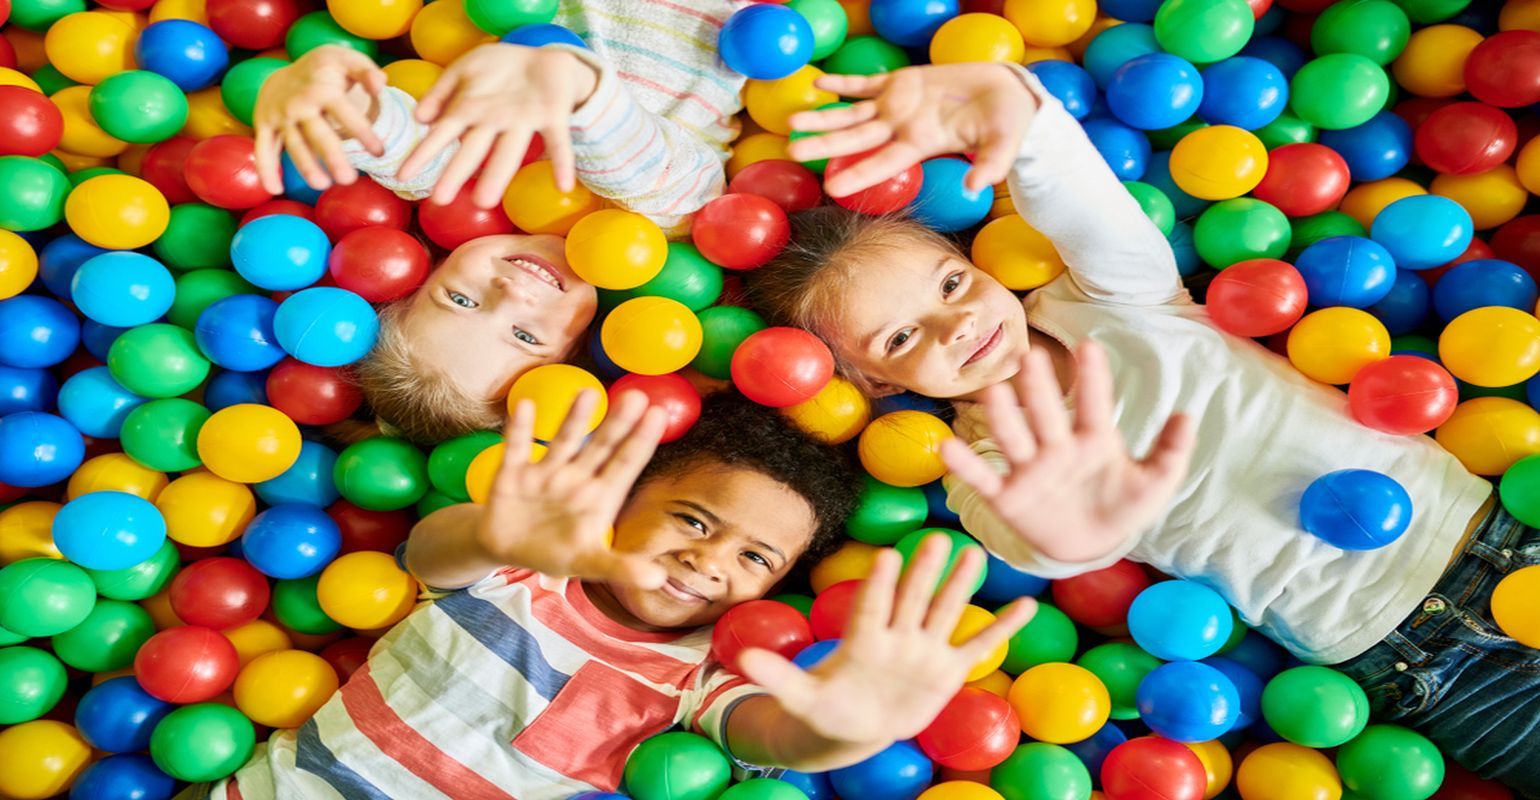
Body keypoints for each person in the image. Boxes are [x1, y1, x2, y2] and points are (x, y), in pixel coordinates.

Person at [741, 61, 1538, 788]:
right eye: (903, 338)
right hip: (1406, 659)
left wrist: (1019, 110)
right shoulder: (973, 460)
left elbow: (1074, 192)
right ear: (877, 382)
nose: (956, 326)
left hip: (1498, 534)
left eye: (951, 284)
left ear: (978, 262)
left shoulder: (1110, 302)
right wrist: (1076, 526)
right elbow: (1043, 543)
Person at [186, 391, 1036, 799]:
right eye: (695, 521)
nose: (710, 561)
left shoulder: (695, 674)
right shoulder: (524, 569)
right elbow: (431, 555)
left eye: (755, 558)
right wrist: (496, 532)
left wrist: (847, 726)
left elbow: (769, 730)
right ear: (621, 503)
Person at [252, 1, 746, 441]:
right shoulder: (666, 227)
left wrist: (324, 101)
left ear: (426, 268)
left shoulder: (473, 180)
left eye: (460, 299)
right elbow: (651, 165)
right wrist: (574, 89)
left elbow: (396, 141)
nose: (512, 294)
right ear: (576, 351)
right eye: (526, 336)